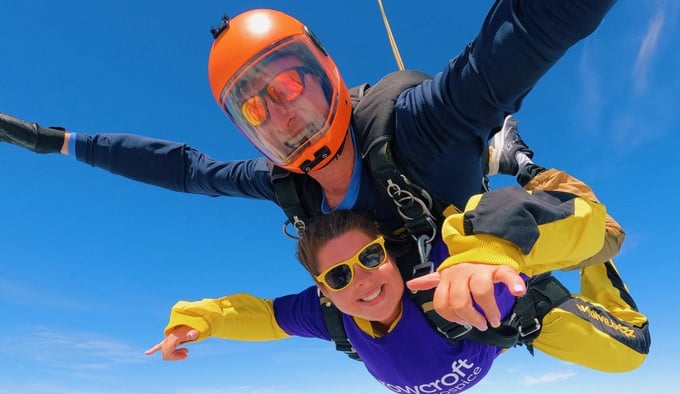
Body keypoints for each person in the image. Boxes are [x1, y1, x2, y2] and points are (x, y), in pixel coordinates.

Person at [0, 0, 618, 241]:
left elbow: (528, 33)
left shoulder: (420, 124)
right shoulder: (283, 181)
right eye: (254, 106)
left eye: (288, 82)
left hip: (451, 184)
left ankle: (508, 154)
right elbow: (188, 170)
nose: (280, 110)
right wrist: (55, 142)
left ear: (324, 70)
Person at [145, 156, 650, 394]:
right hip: (495, 338)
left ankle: (519, 161)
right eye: (340, 276)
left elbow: (519, 216)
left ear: (389, 252)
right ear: (324, 291)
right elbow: (262, 316)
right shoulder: (328, 315)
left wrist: (491, 250)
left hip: (513, 302)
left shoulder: (433, 275)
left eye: (369, 258)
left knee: (612, 269)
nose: (362, 282)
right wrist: (198, 322)